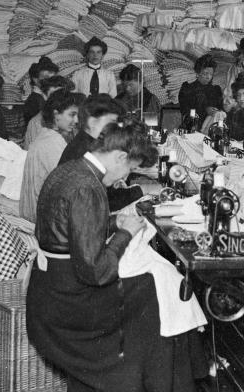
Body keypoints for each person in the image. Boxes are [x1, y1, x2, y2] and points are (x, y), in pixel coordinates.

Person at [27, 124, 202, 392]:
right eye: (129, 169)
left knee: (156, 284)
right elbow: (97, 272)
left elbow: (68, 228)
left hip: (46, 288)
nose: (125, 177)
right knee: (163, 290)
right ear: (120, 156)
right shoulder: (88, 187)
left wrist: (112, 222)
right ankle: (157, 382)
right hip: (69, 302)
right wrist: (126, 233)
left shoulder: (69, 171)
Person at [59, 94, 143, 212]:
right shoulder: (84, 152)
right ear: (93, 122)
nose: (116, 128)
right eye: (112, 122)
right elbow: (105, 202)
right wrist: (141, 190)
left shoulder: (85, 143)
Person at [19, 92, 80, 223]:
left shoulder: (46, 136)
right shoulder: (52, 143)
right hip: (44, 218)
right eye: (72, 115)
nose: (76, 121)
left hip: (38, 213)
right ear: (56, 114)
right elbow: (68, 186)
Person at [24, 75, 75, 149]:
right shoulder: (36, 123)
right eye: (53, 96)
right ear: (44, 96)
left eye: (63, 96)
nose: (58, 101)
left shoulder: (77, 118)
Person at [178, 54, 223, 124]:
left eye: (211, 74)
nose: (208, 77)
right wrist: (205, 110)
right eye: (205, 73)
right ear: (198, 73)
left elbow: (221, 110)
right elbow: (185, 111)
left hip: (211, 126)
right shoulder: (188, 89)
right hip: (192, 125)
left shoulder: (216, 90)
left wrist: (216, 111)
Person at [23, 56, 59, 125]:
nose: (52, 82)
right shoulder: (34, 101)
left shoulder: (47, 97)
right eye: (47, 78)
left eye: (54, 79)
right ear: (35, 79)